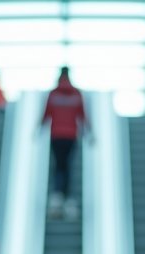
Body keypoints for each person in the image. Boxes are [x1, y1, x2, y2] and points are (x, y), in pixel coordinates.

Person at [42, 66, 89, 220]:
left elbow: (46, 113)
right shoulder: (76, 94)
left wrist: (39, 127)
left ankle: (57, 196)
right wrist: (90, 132)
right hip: (71, 135)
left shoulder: (53, 94)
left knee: (58, 165)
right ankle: (68, 198)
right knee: (68, 166)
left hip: (56, 135)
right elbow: (82, 115)